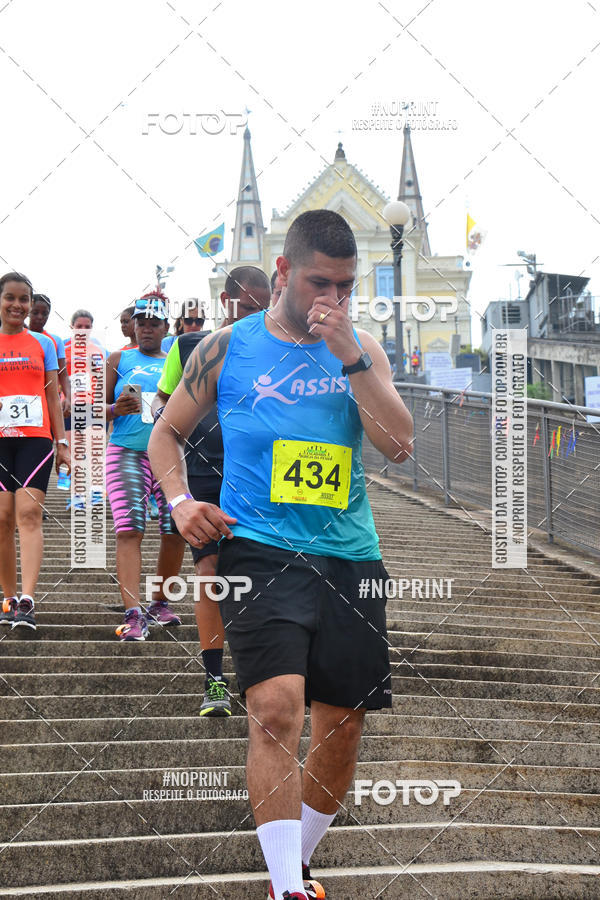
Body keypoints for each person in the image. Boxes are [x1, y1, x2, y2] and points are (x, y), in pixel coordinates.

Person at [149, 210, 413, 900]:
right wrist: (180, 503)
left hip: (350, 552)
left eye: (347, 286)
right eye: (320, 283)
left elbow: (399, 444)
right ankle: (284, 889)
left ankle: (297, 862)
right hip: (257, 549)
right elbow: (165, 435)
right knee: (276, 707)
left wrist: (352, 356)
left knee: (343, 723)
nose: (334, 298)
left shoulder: (361, 348)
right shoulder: (225, 347)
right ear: (284, 274)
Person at [152, 266, 271, 716]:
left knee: (260, 571)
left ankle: (263, 671)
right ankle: (215, 679)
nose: (250, 315)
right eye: (243, 307)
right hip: (204, 470)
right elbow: (164, 403)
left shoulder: (275, 347)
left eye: (259, 308)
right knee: (209, 571)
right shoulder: (188, 346)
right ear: (225, 302)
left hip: (260, 472)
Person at [105, 296, 185, 641]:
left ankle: (159, 603)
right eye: (141, 322)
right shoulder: (119, 358)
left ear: (166, 328)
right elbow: (88, 412)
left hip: (168, 456)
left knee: (175, 530)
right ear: (133, 326)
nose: (147, 328)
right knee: (129, 530)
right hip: (127, 452)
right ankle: (133, 613)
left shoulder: (177, 362)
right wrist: (113, 409)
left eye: (154, 323)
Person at [0, 272, 70, 631]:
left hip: (35, 439)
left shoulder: (43, 344)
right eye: (10, 298)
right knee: (2, 517)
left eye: (23, 299)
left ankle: (27, 599)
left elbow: (52, 397)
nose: (17, 305)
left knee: (28, 513)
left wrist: (62, 442)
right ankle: (8, 597)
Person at [28, 294, 71, 415]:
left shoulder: (54, 340)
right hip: (25, 396)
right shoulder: (18, 337)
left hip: (50, 399)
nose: (40, 317)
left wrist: (67, 397)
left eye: (45, 313)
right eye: (35, 312)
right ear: (28, 311)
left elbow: (63, 373)